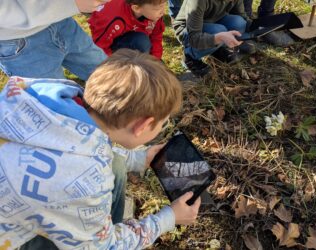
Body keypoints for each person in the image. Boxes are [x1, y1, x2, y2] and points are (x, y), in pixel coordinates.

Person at [0, 49, 201, 249]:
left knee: (117, 162)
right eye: (162, 124)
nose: (162, 128)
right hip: (13, 239)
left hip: (16, 205)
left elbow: (75, 148)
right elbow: (104, 247)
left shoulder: (44, 97)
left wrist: (139, 159)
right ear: (142, 126)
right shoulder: (85, 183)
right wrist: (169, 217)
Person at [0, 0, 108, 81]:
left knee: (109, 73)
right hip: (18, 45)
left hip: (61, 21)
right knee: (59, 105)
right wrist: (70, 4)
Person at [173, 0, 256, 77]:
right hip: (187, 30)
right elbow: (194, 38)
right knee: (219, 31)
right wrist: (219, 38)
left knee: (239, 23)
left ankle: (216, 49)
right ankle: (190, 57)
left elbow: (241, 16)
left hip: (214, 20)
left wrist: (257, 27)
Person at [89, 0, 166, 60]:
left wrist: (155, 60)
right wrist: (113, 68)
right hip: (110, 45)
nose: (163, 11)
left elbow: (156, 38)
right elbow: (100, 47)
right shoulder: (114, 19)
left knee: (143, 43)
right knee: (142, 42)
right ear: (136, 8)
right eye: (158, 8)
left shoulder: (154, 14)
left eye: (164, 5)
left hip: (131, 36)